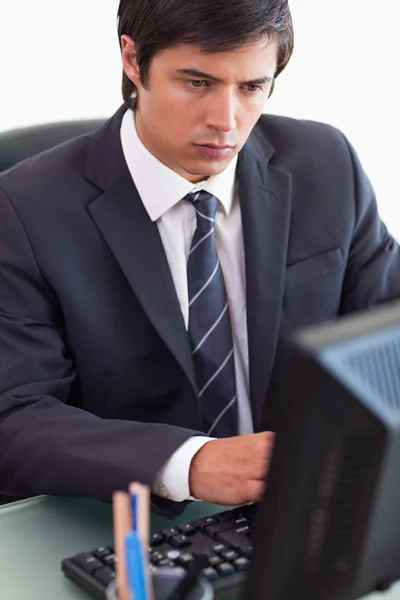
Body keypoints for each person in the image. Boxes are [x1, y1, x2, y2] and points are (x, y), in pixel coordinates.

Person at [0, 0, 399, 517]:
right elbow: (14, 416)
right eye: (196, 83)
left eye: (252, 87)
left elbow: (388, 332)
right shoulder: (23, 209)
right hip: (123, 520)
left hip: (308, 506)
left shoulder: (327, 163)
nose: (225, 122)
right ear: (131, 59)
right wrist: (190, 463)